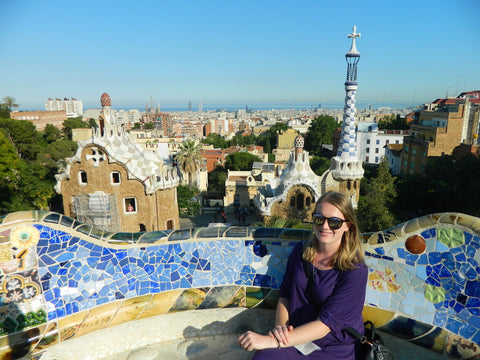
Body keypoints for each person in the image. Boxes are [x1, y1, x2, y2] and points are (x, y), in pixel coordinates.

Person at [238, 191, 367, 360]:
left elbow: (325, 325)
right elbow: (285, 296)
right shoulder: (302, 251)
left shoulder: (354, 269)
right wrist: (280, 329)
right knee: (264, 357)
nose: (325, 226)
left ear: (347, 226)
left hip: (332, 348)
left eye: (334, 222)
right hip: (296, 339)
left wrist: (274, 341)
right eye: (319, 219)